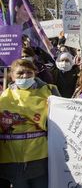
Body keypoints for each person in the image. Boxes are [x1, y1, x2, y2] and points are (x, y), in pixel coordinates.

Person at [0, 59, 59, 187]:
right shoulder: (3, 97)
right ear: (12, 75)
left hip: (40, 157)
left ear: (35, 73)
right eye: (20, 73)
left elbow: (62, 117)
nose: (25, 76)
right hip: (11, 159)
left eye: (29, 72)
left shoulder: (49, 91)